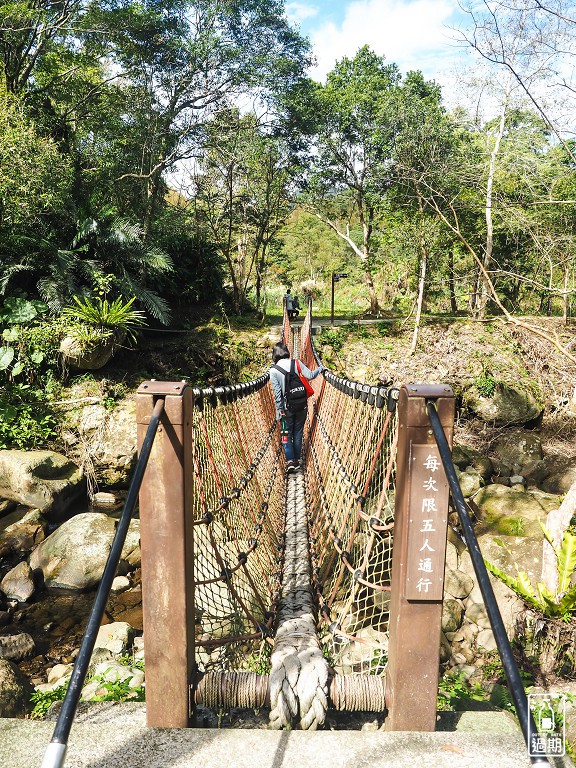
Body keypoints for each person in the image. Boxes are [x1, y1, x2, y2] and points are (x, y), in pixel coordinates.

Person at [269, 342, 325, 474]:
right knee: (298, 433)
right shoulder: (297, 363)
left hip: (286, 409)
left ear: (275, 355)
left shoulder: (273, 371)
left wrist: (279, 410)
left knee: (285, 434)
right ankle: (298, 461)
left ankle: (290, 461)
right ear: (286, 352)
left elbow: (277, 394)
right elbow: (311, 375)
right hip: (301, 405)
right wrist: (320, 368)